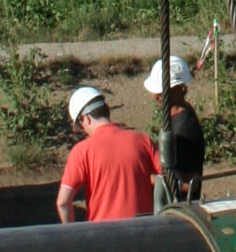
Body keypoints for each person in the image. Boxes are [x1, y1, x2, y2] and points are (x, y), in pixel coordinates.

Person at [57, 85, 160, 224]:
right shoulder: (143, 141)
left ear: (86, 118)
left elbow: (63, 202)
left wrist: (71, 234)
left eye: (80, 124)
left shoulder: (82, 151)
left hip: (102, 236)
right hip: (143, 230)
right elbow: (167, 178)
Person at [144, 52, 205, 201]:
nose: (155, 96)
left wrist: (149, 179)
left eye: (162, 91)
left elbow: (190, 184)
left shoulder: (184, 131)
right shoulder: (180, 113)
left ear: (179, 89)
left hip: (180, 207)